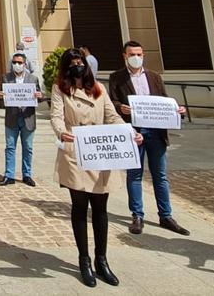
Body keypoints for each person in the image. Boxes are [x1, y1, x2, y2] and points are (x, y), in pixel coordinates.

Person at [51, 48, 141, 288]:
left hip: (100, 154)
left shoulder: (99, 89)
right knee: (79, 208)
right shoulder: (60, 88)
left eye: (80, 61)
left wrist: (130, 133)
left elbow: (112, 116)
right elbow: (56, 116)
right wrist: (62, 132)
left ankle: (102, 260)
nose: (77, 65)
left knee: (101, 209)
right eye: (72, 62)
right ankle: (84, 260)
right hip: (75, 153)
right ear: (66, 66)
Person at [107, 40, 190, 236]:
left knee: (160, 176)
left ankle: (166, 215)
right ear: (125, 56)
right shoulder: (116, 78)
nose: (136, 57)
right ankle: (137, 216)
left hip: (156, 133)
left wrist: (178, 110)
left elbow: (165, 100)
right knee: (134, 175)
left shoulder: (154, 77)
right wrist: (121, 108)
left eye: (139, 54)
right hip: (134, 133)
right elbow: (112, 101)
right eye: (132, 54)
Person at [0, 52, 43, 187]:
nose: (17, 65)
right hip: (12, 118)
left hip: (28, 117)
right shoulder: (6, 78)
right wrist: (0, 96)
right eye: (14, 62)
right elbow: (3, 98)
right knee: (10, 147)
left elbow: (39, 97)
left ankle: (27, 174)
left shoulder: (33, 79)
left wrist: (40, 95)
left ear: (25, 64)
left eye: (19, 62)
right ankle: (9, 175)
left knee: (28, 147)